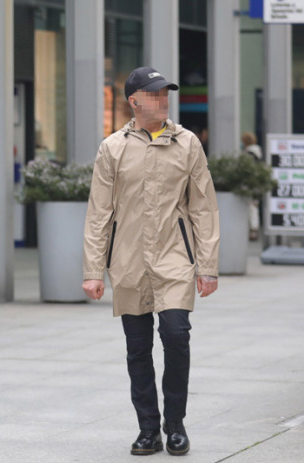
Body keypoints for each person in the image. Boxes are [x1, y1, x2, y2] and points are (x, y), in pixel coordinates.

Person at [82, 67, 220, 456]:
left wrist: (207, 266)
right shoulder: (112, 147)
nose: (163, 99)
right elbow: (98, 215)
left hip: (174, 257)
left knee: (176, 336)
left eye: (166, 93)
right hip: (127, 261)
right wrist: (93, 271)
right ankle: (148, 430)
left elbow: (204, 208)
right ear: (134, 101)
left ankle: (175, 423)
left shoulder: (188, 143)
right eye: (155, 93)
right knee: (137, 347)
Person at [241, 132, 264, 240]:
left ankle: (253, 230)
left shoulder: (249, 154)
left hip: (250, 185)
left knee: (251, 207)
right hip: (257, 185)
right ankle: (254, 229)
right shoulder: (258, 153)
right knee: (254, 207)